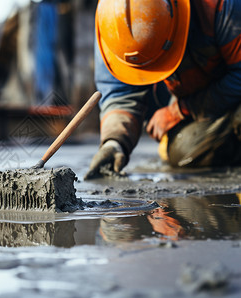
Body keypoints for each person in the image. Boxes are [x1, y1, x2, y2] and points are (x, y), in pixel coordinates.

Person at [85, 0, 241, 179]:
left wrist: (180, 110)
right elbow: (120, 93)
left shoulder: (221, 6)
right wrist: (114, 143)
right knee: (184, 151)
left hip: (230, 82)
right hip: (199, 91)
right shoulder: (112, 24)